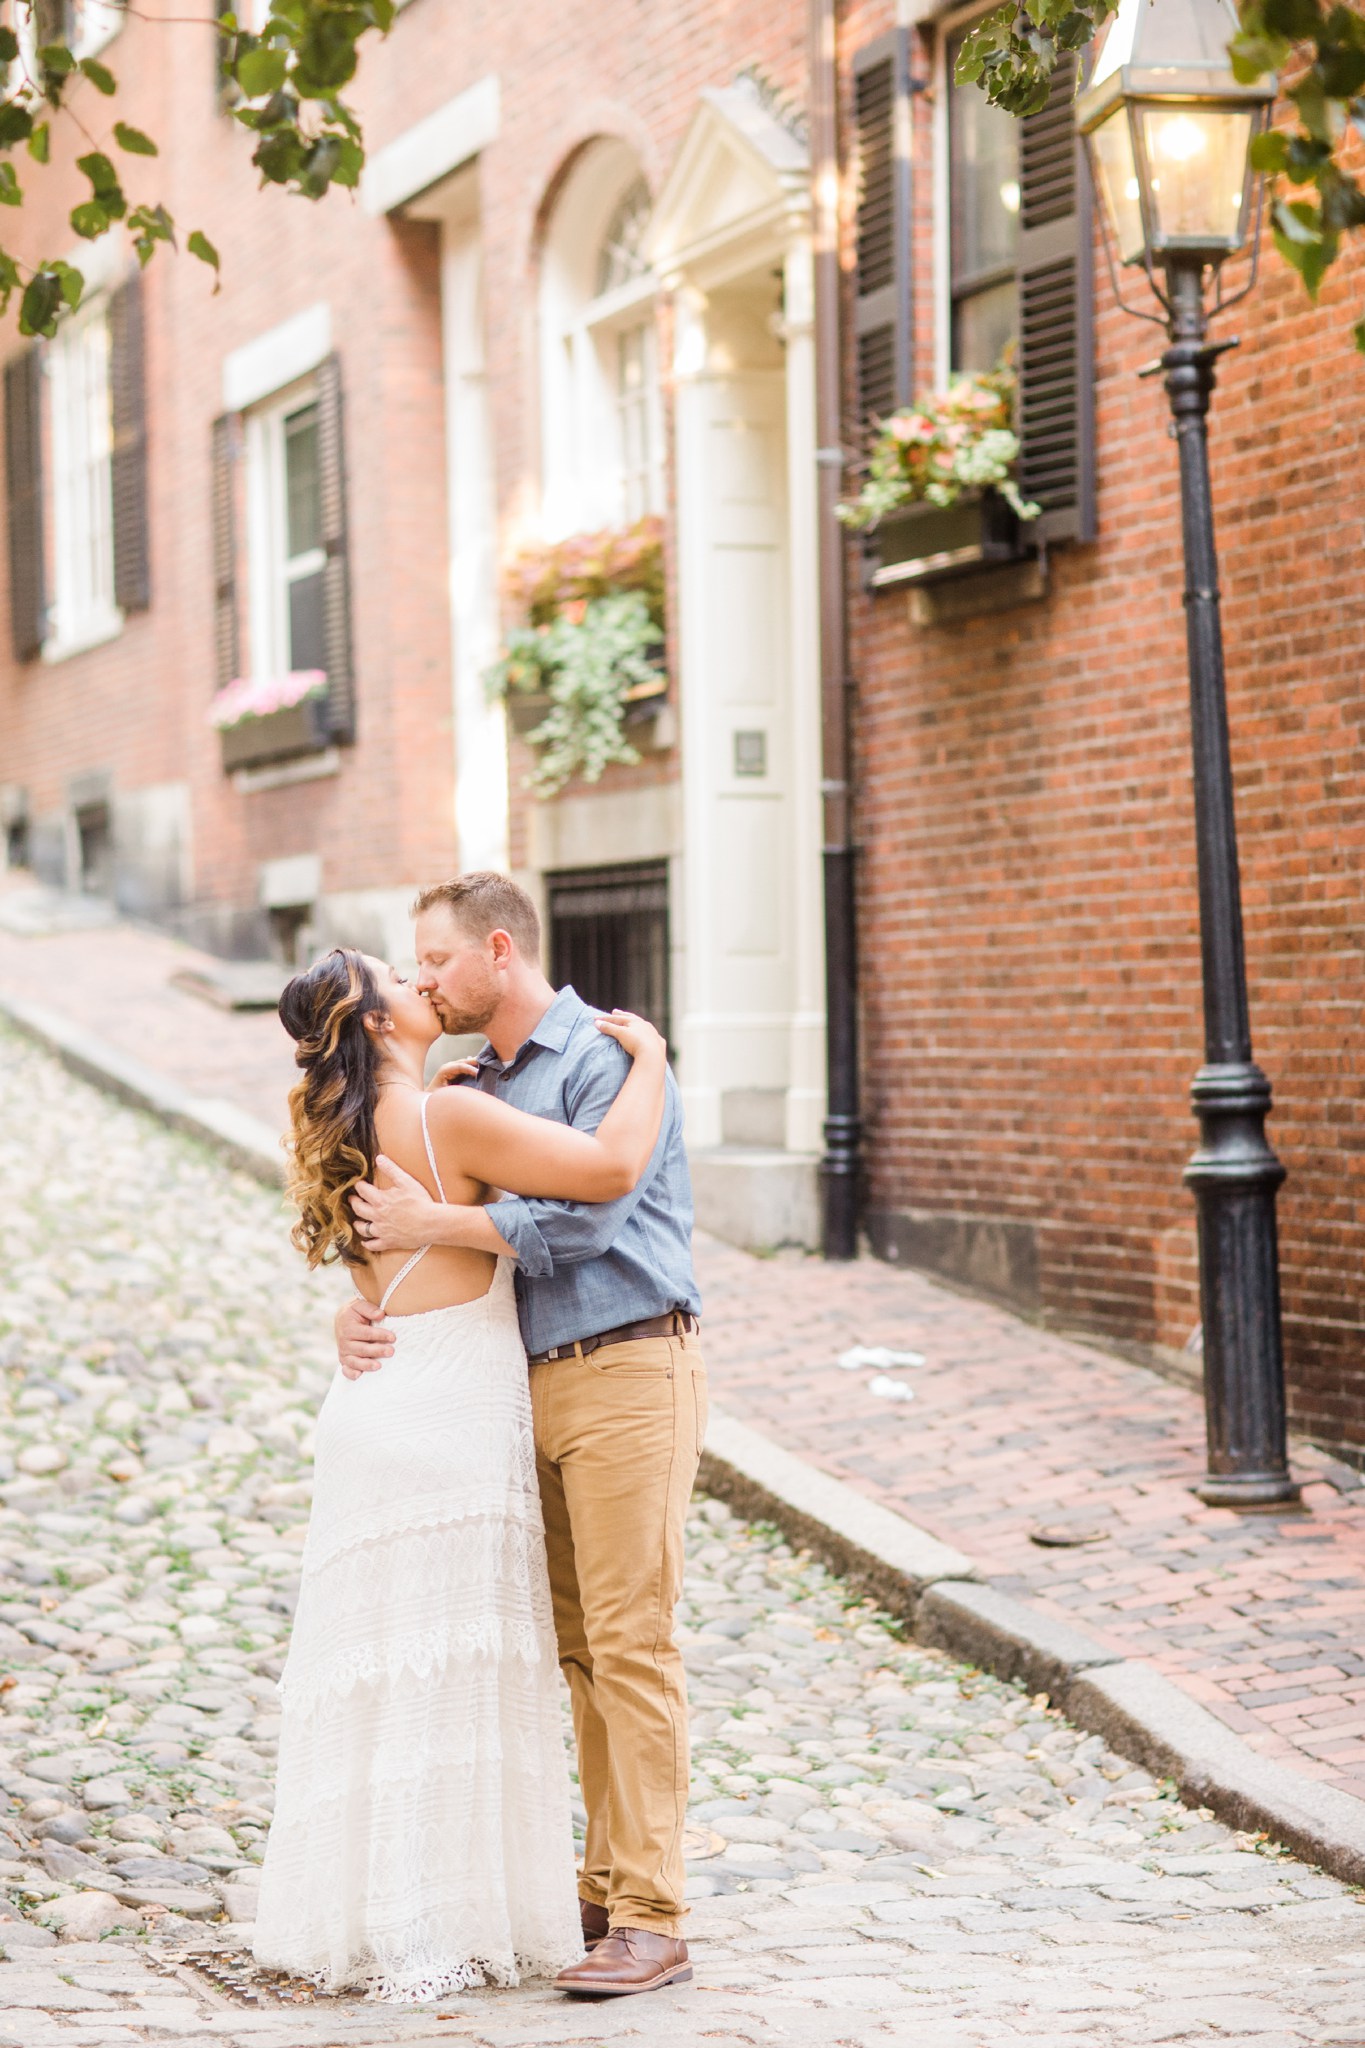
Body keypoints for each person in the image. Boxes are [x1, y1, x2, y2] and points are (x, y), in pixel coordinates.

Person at [253, 943, 668, 2003]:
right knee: (461, 1663)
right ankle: (454, 1912)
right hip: (452, 1411)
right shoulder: (452, 1120)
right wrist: (655, 1066)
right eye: (402, 972)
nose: (421, 980)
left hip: (376, 1399)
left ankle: (376, 1909)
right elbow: (612, 1168)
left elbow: (382, 1265)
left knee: (387, 1661)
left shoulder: (340, 1120)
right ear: (379, 1019)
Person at [337, 871, 705, 2000]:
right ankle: (602, 1886)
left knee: (633, 1643)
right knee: (580, 1649)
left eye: (437, 959)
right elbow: (430, 1257)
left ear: (499, 949)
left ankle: (654, 1915)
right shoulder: (472, 1082)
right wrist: (367, 1301)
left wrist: (438, 1217)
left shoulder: (601, 1053)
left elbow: (592, 1212)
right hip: (525, 1383)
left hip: (628, 1362)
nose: (426, 978)